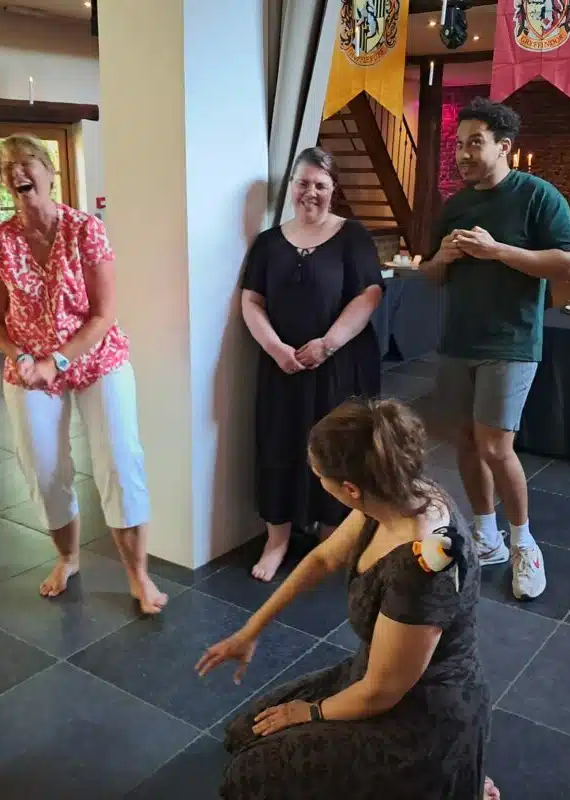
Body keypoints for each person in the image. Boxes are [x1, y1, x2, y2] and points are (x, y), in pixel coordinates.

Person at [197, 398, 499, 800]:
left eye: (319, 475)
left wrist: (310, 712)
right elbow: (323, 559)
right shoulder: (394, 494)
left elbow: (381, 692)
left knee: (246, 777)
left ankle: (449, 776)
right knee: (243, 732)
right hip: (375, 675)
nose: (316, 479)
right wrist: (249, 631)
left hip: (421, 714)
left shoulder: (421, 571)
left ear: (351, 490)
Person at [0, 133, 166, 614]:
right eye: (6, 167)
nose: (16, 172)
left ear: (49, 172)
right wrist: (19, 356)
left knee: (120, 461)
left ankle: (138, 576)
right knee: (42, 468)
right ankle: (67, 559)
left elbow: (103, 314)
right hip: (29, 370)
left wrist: (57, 359)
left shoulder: (85, 229)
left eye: (26, 162)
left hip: (97, 359)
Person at [420, 97, 570, 600]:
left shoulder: (537, 196)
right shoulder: (455, 206)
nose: (463, 154)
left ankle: (523, 543)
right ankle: (486, 535)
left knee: (495, 446)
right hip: (458, 342)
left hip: (511, 342)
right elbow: (429, 275)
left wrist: (498, 251)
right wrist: (442, 257)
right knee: (466, 443)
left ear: (503, 146)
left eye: (475, 143)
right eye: (458, 145)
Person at [242, 146, 384, 582]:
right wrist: (275, 348)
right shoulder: (269, 243)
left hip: (337, 366)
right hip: (282, 369)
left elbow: (369, 296)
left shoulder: (352, 236)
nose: (311, 192)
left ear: (332, 189)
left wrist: (328, 344)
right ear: (291, 187)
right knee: (278, 446)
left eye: (320, 185)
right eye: (303, 183)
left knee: (337, 450)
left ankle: (331, 537)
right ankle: (277, 540)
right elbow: (251, 300)